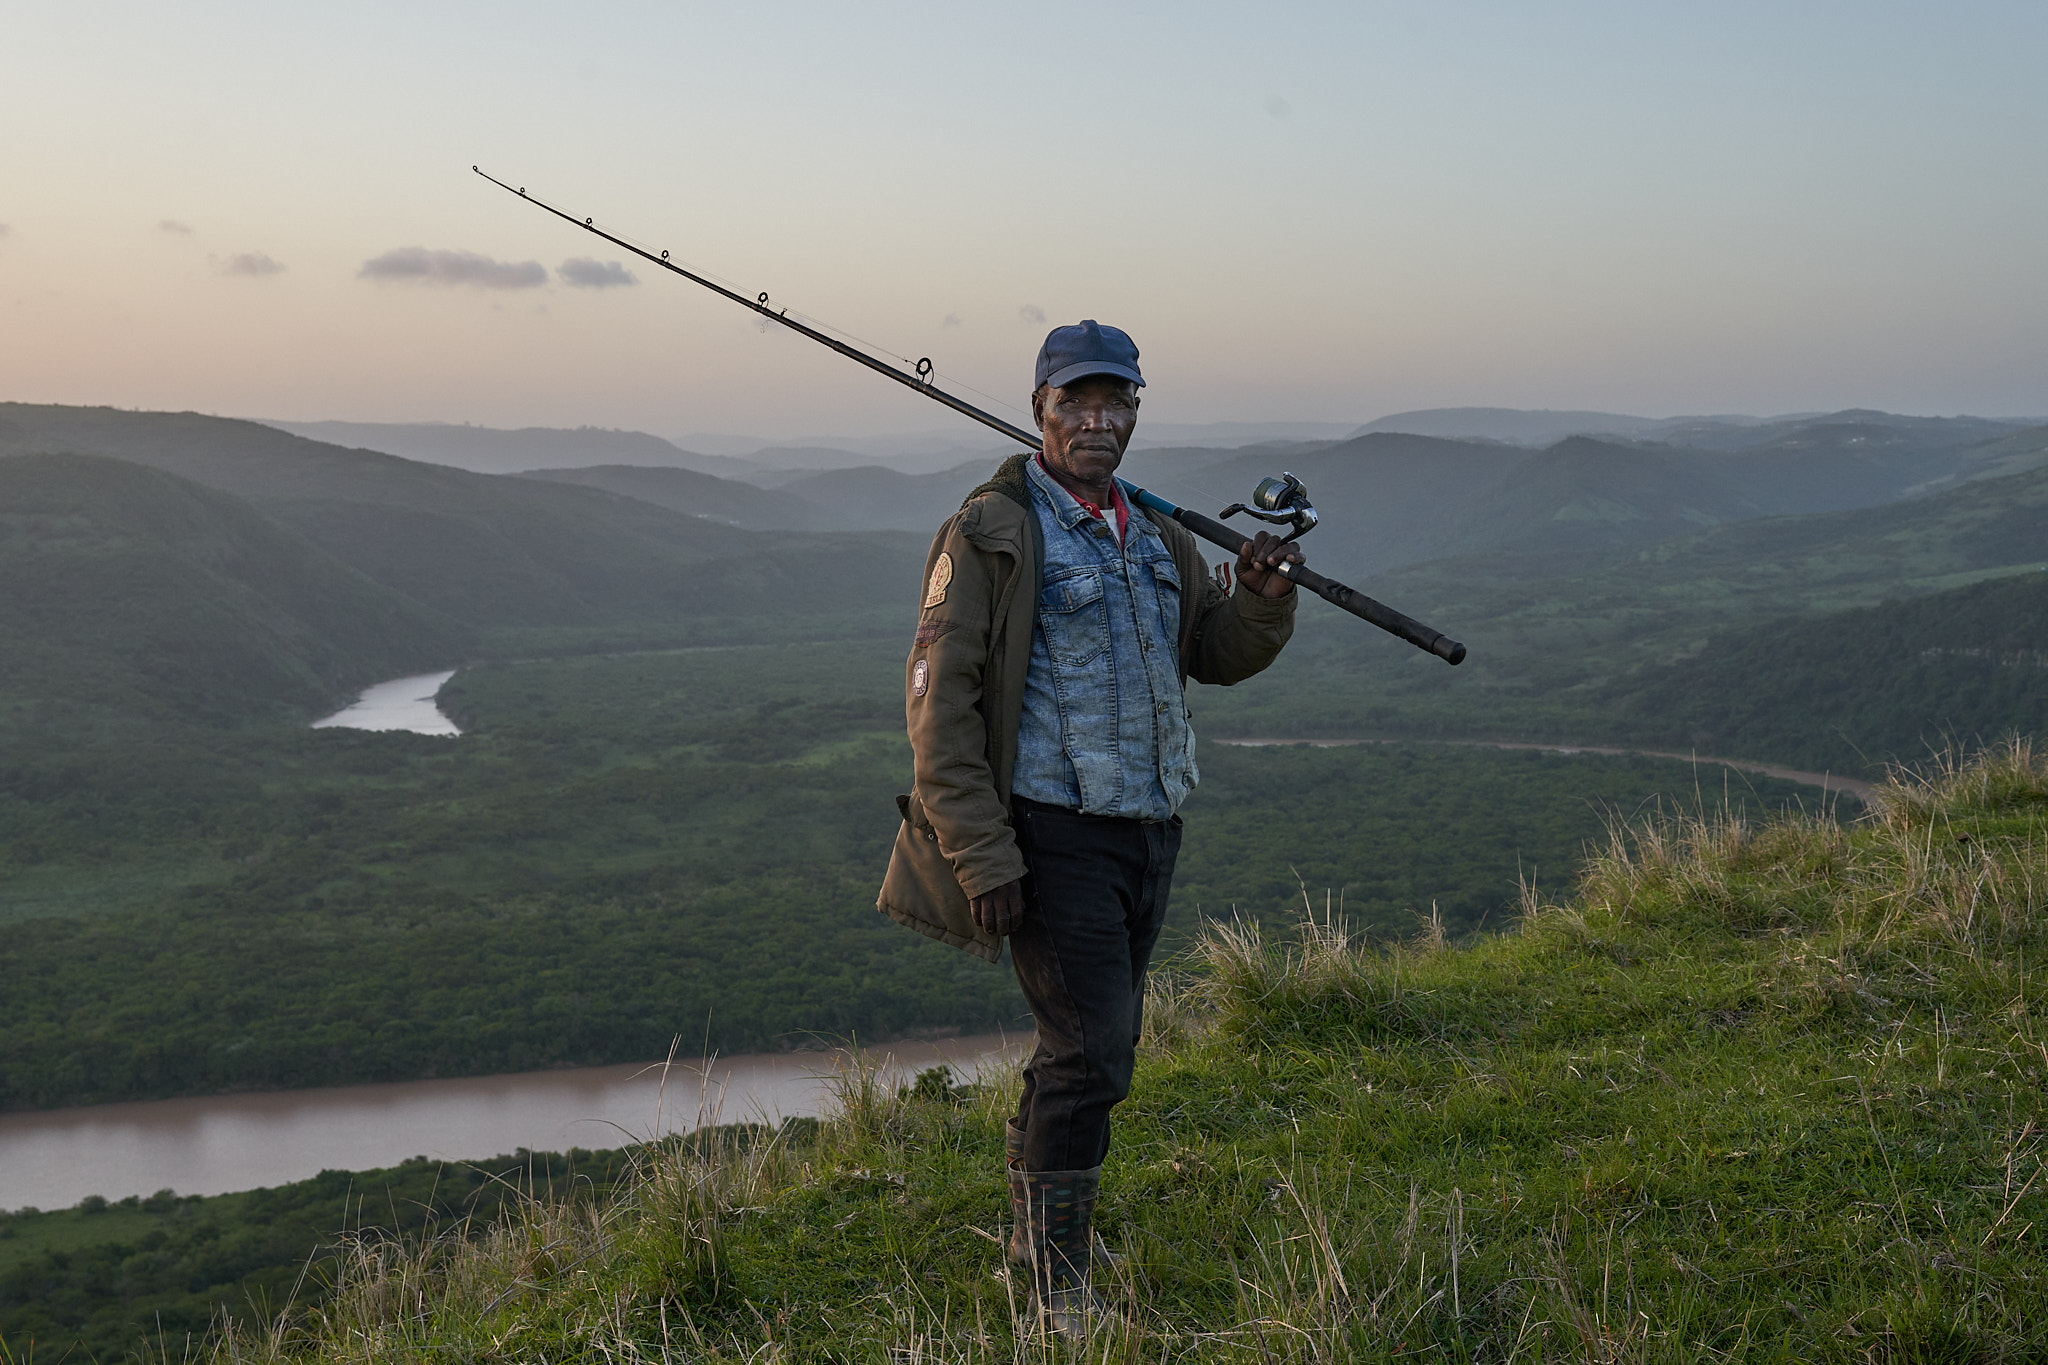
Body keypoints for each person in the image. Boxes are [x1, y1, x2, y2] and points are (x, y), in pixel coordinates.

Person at [877, 319, 1302, 1336]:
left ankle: (1039, 1229)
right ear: (1040, 410)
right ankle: (1058, 1283)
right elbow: (937, 702)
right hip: (1048, 832)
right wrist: (981, 851)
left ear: (1133, 414)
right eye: (1076, 402)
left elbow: (1206, 650)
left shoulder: (1154, 532)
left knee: (1084, 1045)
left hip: (1147, 826)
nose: (1097, 422)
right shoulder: (990, 530)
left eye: (1116, 404)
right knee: (1093, 1052)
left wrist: (1259, 602)